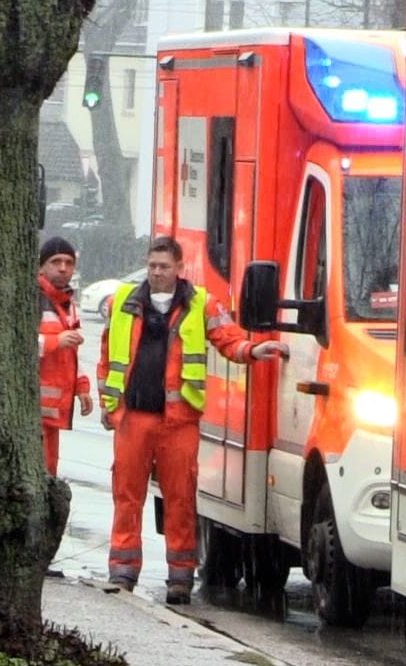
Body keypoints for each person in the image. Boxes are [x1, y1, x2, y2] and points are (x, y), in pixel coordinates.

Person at [98, 235, 286, 604]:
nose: (156, 272)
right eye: (152, 265)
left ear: (180, 268)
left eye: (163, 266)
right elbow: (108, 354)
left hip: (178, 420)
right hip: (133, 417)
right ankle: (122, 569)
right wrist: (109, 403)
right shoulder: (124, 301)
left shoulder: (201, 305)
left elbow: (228, 339)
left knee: (180, 499)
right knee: (126, 495)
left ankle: (180, 578)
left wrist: (254, 350)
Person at [36, 237, 96, 475]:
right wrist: (55, 341)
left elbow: (72, 355)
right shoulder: (35, 299)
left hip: (51, 413)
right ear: (41, 267)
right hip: (34, 411)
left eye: (69, 262)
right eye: (56, 261)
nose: (63, 268)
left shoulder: (67, 304)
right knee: (41, 472)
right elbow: (17, 347)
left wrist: (82, 387)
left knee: (49, 470)